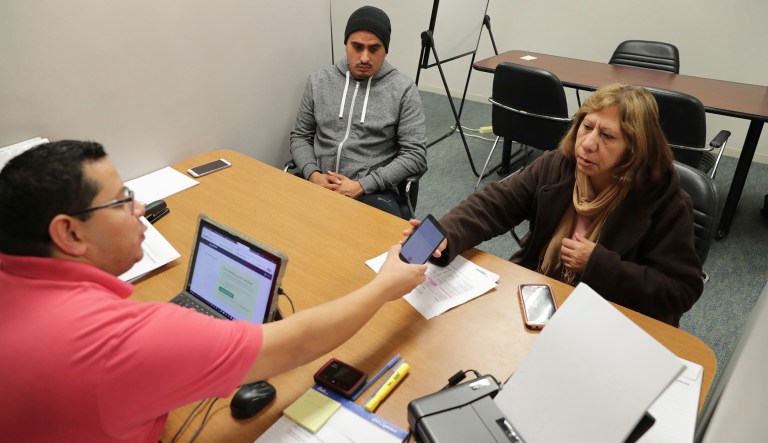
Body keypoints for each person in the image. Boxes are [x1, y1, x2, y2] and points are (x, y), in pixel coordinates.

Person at [0, 140, 426, 442]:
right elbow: (297, 344)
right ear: (68, 233)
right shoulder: (120, 341)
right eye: (121, 201)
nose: (140, 208)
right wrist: (384, 286)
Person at [407, 83, 703, 326]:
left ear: (634, 150)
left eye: (607, 136)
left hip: (609, 319)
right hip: (542, 295)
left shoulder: (666, 202)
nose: (587, 143)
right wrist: (445, 234)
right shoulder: (559, 165)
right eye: (587, 127)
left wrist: (599, 264)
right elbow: (494, 204)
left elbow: (681, 290)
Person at [289, 5, 427, 218]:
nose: (364, 58)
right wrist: (312, 174)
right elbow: (300, 136)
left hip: (371, 191)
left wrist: (362, 185)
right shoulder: (319, 80)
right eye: (357, 47)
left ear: (386, 50)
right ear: (346, 45)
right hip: (317, 182)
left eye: (374, 49)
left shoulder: (403, 89)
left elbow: (415, 155)